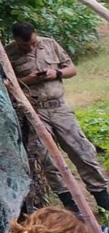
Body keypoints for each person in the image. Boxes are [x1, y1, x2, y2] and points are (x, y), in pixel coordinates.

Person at [8, 22, 109, 213]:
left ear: (36, 35)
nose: (29, 48)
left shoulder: (50, 44)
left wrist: (57, 73)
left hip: (59, 108)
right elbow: (6, 84)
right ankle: (70, 203)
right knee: (48, 158)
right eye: (24, 46)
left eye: (32, 43)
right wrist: (29, 79)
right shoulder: (7, 53)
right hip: (34, 111)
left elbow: (72, 69)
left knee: (82, 151)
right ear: (16, 41)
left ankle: (102, 197)